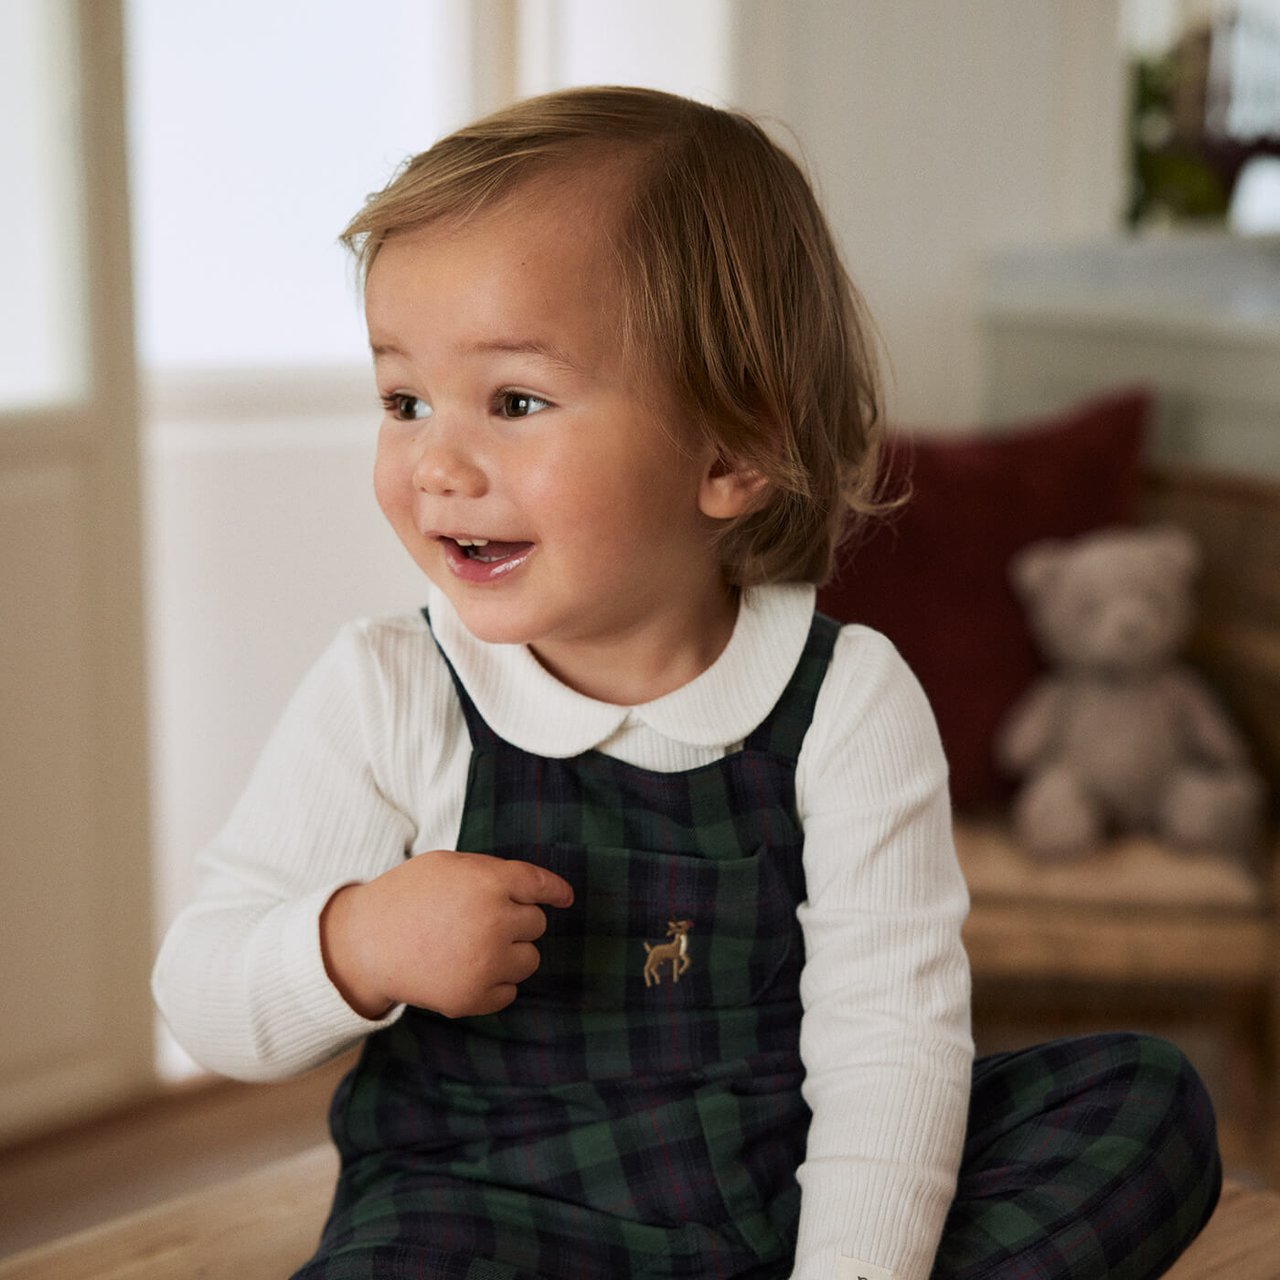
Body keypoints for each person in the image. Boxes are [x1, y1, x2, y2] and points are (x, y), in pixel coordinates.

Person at [152, 86, 1221, 1280]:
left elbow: (887, 1045)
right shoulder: (393, 687)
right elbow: (199, 992)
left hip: (782, 1192)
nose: (435, 463)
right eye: (402, 398)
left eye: (514, 401)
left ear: (730, 450)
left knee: (1140, 1102)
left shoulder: (846, 698)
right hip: (479, 1215)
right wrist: (352, 942)